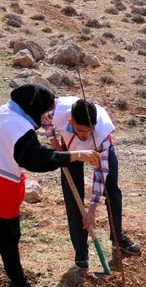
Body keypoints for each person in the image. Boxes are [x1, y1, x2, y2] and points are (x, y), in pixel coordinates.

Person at [0, 84, 100, 287]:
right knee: (10, 235)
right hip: (0, 184)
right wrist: (75, 156)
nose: (46, 117)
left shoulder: (5, 111)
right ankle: (18, 283)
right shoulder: (20, 128)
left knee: (1, 231)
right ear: (35, 107)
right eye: (44, 112)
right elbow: (35, 159)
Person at [43, 96, 140, 270]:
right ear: (71, 122)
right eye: (81, 130)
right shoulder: (56, 111)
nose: (85, 135)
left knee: (111, 190)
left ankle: (117, 239)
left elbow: (100, 174)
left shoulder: (101, 133)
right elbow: (45, 118)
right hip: (70, 150)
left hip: (101, 151)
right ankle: (81, 250)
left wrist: (92, 210)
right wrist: (54, 143)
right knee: (73, 196)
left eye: (89, 130)